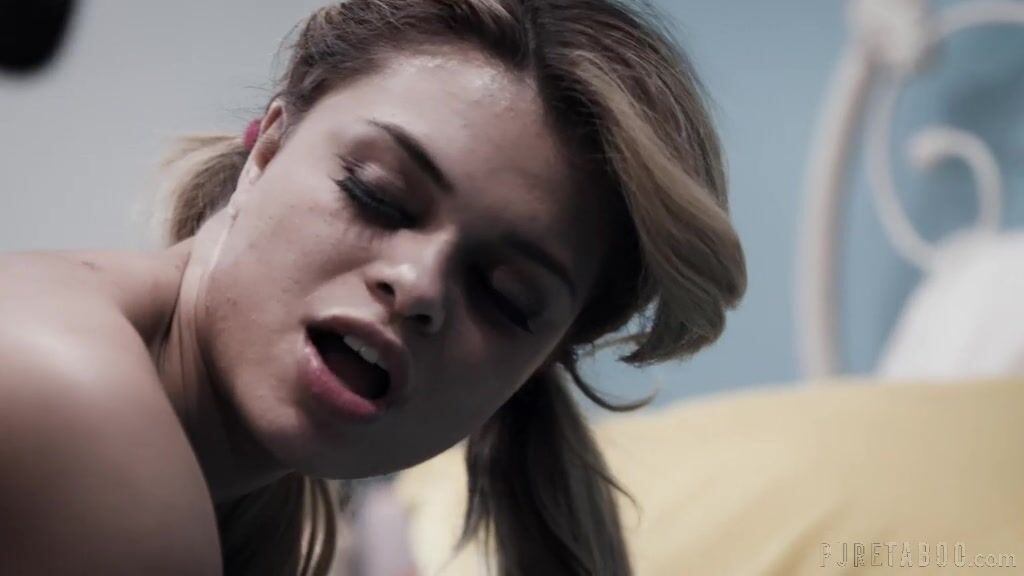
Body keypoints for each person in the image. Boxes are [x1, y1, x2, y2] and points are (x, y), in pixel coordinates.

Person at [0, 0, 746, 574]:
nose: (418, 286)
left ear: (536, 367)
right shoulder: (70, 400)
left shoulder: (260, 509)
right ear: (267, 148)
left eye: (508, 297)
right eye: (378, 194)